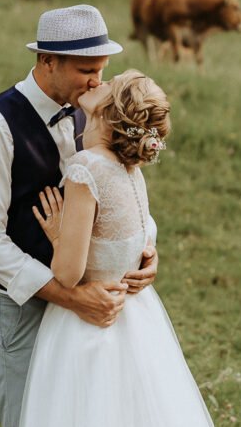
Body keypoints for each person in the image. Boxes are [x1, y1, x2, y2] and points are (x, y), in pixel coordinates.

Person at [0, 5, 159, 427]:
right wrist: (70, 296)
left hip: (94, 307)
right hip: (22, 306)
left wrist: (145, 250)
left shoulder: (97, 111)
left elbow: (123, 192)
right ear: (47, 60)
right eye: (87, 70)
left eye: (102, 70)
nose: (97, 82)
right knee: (29, 415)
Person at [19, 70, 215, 426]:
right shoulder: (130, 170)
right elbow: (138, 239)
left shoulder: (87, 168)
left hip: (87, 324)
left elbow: (68, 273)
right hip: (136, 317)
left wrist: (57, 233)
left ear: (110, 111)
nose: (98, 81)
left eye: (108, 83)